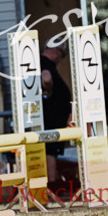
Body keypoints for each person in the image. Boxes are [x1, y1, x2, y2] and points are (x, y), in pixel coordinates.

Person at [40, 38, 73, 184]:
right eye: (62, 55)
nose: (61, 58)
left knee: (50, 150)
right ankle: (52, 183)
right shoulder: (45, 63)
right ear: (56, 51)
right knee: (50, 150)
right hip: (51, 116)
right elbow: (46, 78)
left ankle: (52, 180)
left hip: (53, 115)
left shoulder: (42, 63)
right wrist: (49, 91)